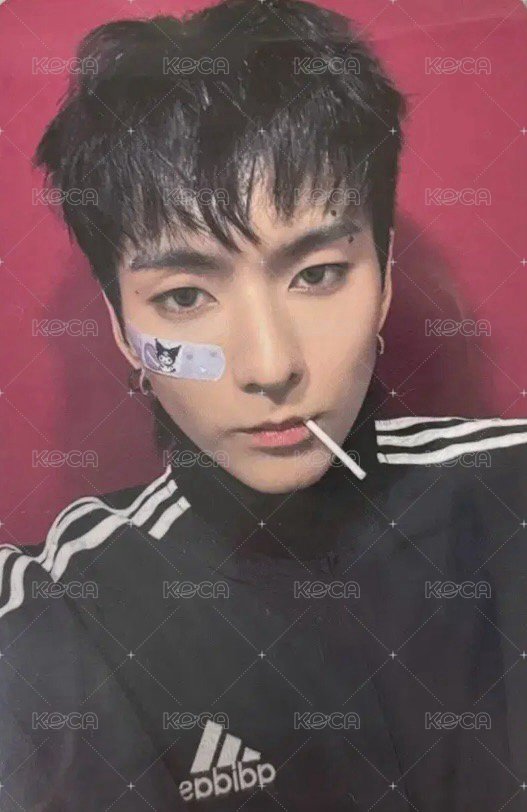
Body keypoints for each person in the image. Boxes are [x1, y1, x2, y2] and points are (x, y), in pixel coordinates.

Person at [1, 0, 526, 809]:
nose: (269, 366)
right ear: (121, 329)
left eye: (317, 274)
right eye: (183, 296)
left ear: (383, 279)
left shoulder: (507, 495)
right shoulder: (67, 604)